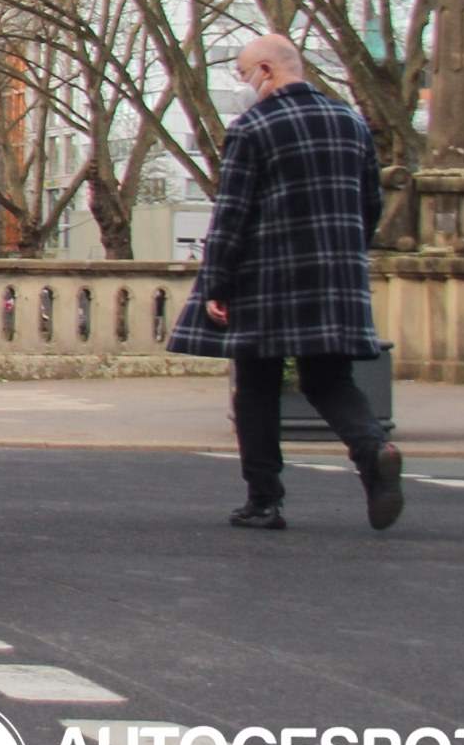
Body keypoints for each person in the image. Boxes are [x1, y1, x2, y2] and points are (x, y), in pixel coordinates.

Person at [170, 34, 401, 531]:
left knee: (255, 386)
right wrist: (347, 253)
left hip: (267, 275)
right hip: (336, 274)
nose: (244, 85)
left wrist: (218, 283)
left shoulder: (254, 127)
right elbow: (372, 203)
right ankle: (373, 451)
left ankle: (265, 500)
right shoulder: (350, 121)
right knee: (329, 379)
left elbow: (233, 214)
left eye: (243, 74)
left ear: (267, 72)